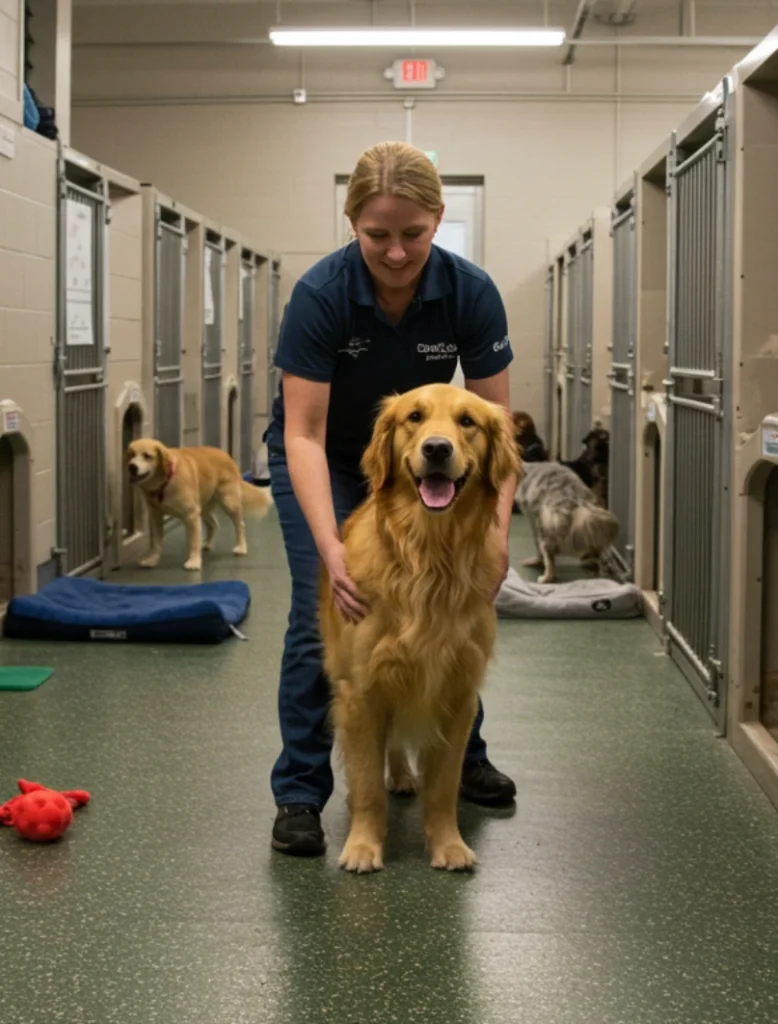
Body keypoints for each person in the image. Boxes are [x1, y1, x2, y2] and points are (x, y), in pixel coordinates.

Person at [264, 141, 519, 857]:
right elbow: (304, 435)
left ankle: (460, 756)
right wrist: (333, 550)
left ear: (437, 220)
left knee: (456, 612)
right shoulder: (321, 296)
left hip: (436, 462)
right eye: (378, 235)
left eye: (413, 233)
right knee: (327, 614)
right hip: (332, 459)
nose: (398, 252)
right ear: (353, 225)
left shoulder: (471, 293)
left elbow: (497, 433)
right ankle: (302, 791)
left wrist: (495, 539)